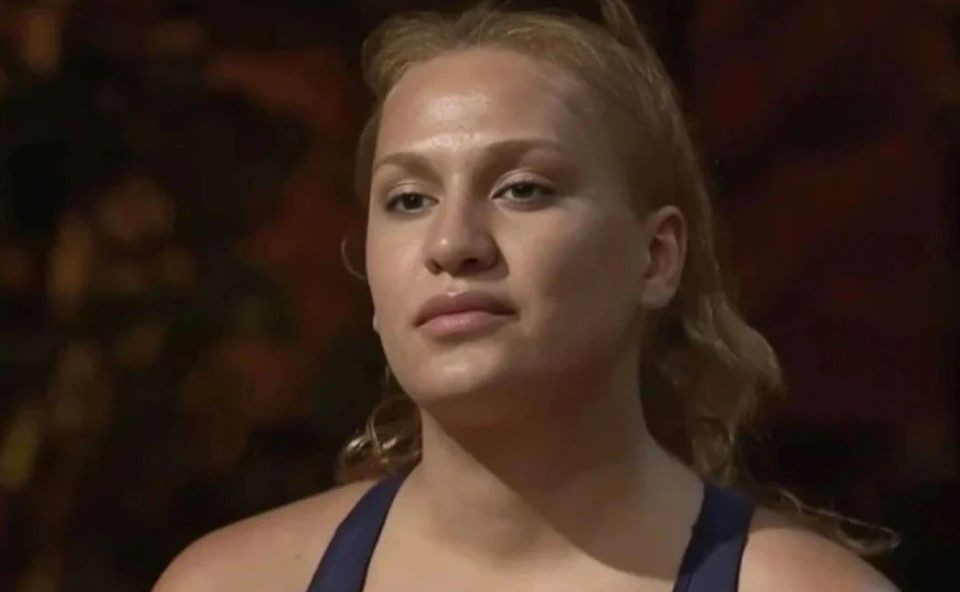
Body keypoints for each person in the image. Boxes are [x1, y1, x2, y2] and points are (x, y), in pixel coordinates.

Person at [153, 1, 898, 590]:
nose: (453, 243)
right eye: (408, 200)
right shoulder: (232, 582)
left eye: (522, 189)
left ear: (656, 258)